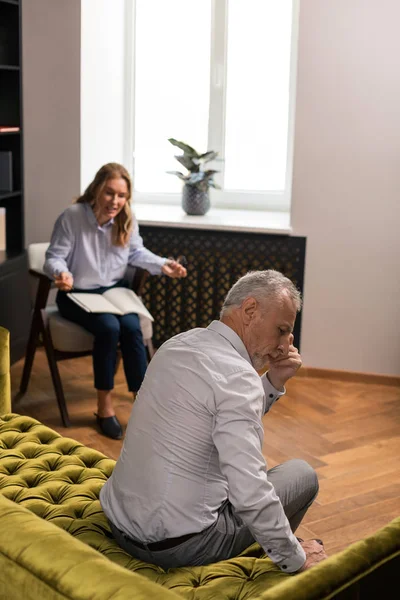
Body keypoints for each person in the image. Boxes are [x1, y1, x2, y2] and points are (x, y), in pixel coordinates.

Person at [100, 269, 328, 573]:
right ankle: (268, 563)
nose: (286, 345)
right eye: (282, 330)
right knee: (303, 475)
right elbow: (249, 492)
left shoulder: (176, 344)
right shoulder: (239, 378)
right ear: (249, 311)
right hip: (179, 546)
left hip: (119, 522)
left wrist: (272, 381)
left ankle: (271, 542)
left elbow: (224, 412)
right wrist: (294, 560)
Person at [43, 162, 187, 440]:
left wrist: (163, 265)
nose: (115, 201)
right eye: (110, 193)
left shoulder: (127, 219)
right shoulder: (72, 217)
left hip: (114, 292)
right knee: (109, 328)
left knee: (132, 328)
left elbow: (137, 254)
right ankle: (104, 408)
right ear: (97, 189)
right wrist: (61, 273)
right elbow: (54, 256)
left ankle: (144, 406)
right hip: (77, 294)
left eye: (122, 196)